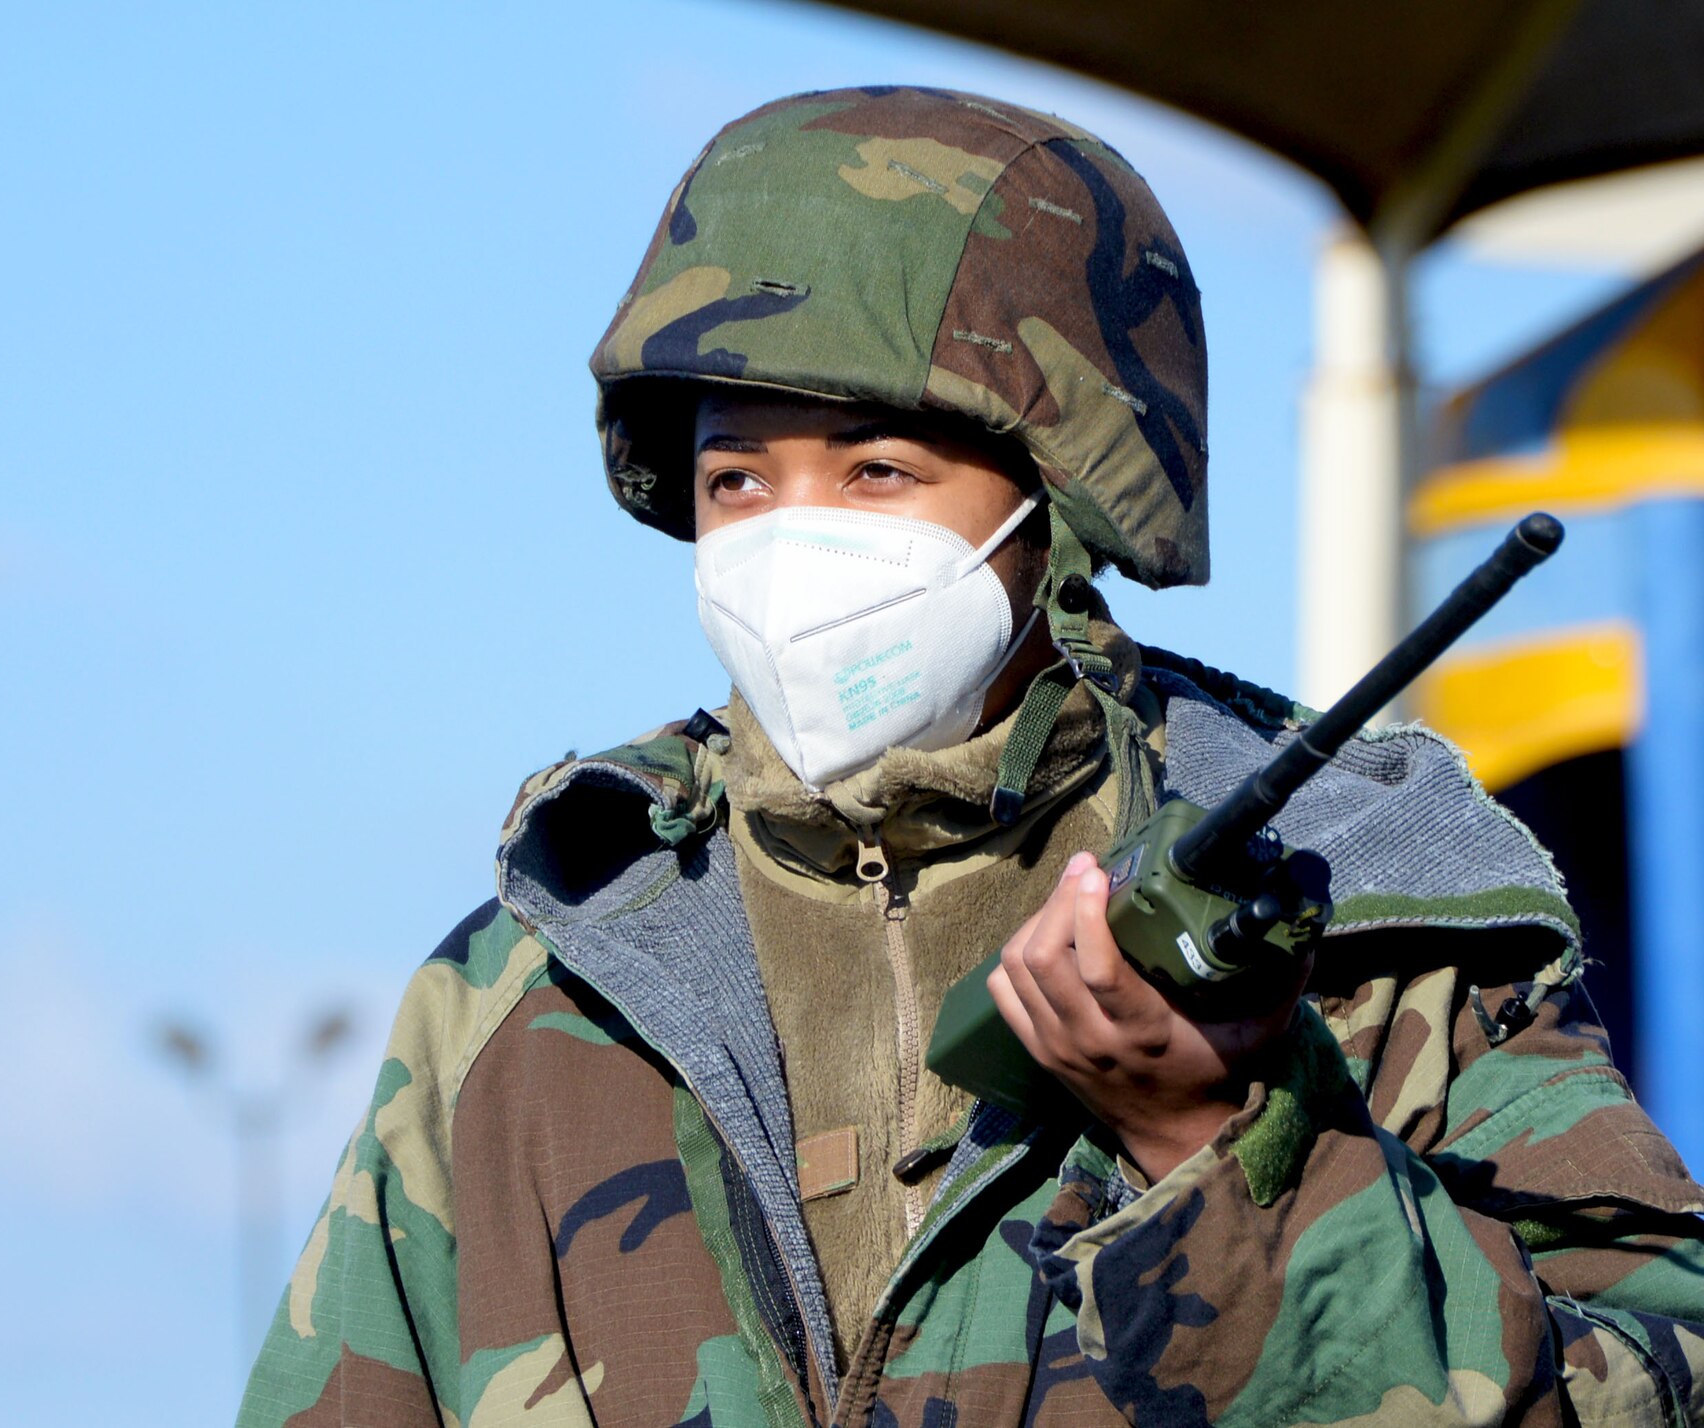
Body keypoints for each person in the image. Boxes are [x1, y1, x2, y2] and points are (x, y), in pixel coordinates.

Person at [238, 87, 1704, 1427]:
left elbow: (1653, 1389)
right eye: (737, 476)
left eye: (879, 468)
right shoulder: (533, 988)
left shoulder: (1370, 926)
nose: (792, 539)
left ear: (1065, 504)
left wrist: (1221, 1152)